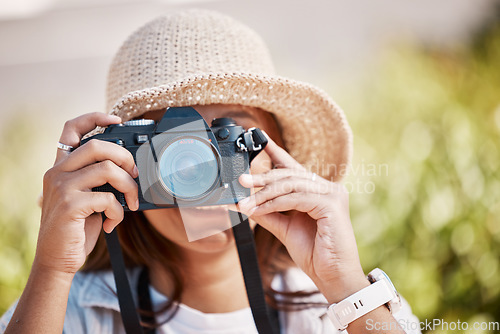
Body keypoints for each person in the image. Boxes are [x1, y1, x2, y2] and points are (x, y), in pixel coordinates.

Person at [0, 9, 420, 334]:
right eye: (174, 142)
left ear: (275, 153)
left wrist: (344, 284)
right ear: (122, 163)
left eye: (228, 136)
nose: (200, 167)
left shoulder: (336, 310)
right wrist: (53, 269)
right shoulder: (68, 309)